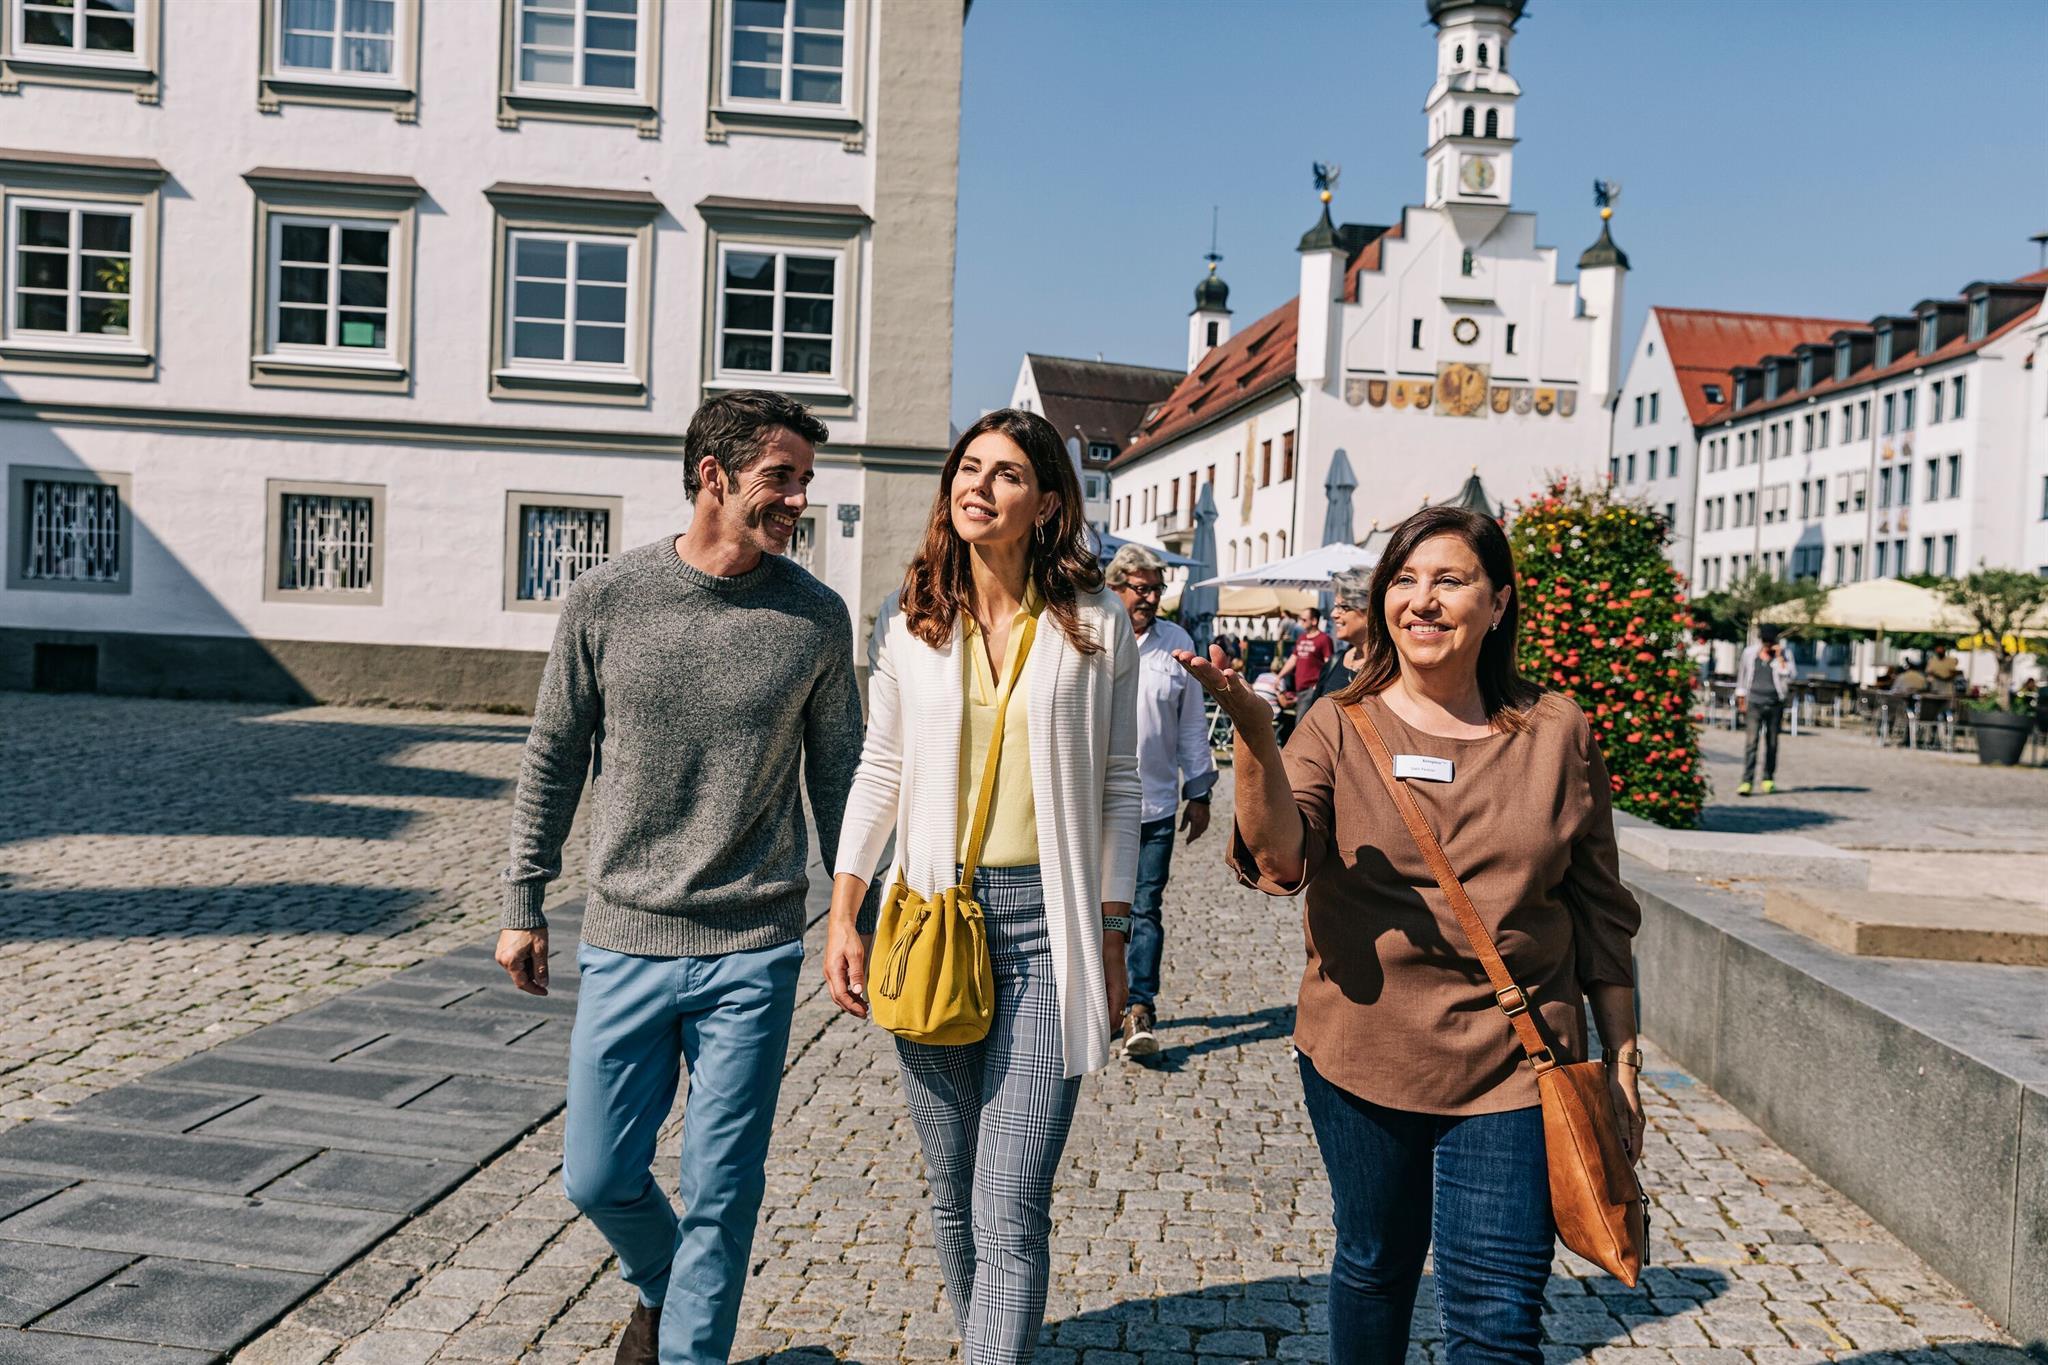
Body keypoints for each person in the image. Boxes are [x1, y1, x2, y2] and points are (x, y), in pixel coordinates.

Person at [1177, 504, 1643, 1364]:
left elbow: (1601, 909)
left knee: (1499, 1315)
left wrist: (1621, 1062)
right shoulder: (1338, 723)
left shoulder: (1557, 732)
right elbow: (1281, 860)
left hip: (1518, 1058)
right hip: (1365, 1052)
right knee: (1377, 1263)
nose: (1421, 601)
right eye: (1405, 579)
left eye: (1450, 580)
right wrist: (1253, 738)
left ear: (1498, 603)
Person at [496, 390, 862, 1365]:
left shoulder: (813, 619)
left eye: (803, 481)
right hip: (623, 936)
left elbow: (842, 779)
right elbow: (551, 753)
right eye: (780, 478)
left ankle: (688, 1348)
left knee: (721, 1187)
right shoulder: (608, 598)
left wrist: (856, 913)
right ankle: (666, 1287)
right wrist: (521, 900)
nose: (796, 499)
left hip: (752, 949)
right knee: (596, 1176)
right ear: (714, 474)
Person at [824, 408, 1141, 1365]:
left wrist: (1116, 933)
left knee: (1010, 1200)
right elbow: (879, 768)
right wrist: (845, 912)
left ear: (1047, 502)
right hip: (924, 925)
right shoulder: (910, 615)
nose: (978, 485)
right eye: (968, 468)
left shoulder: (1096, 619)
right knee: (953, 1183)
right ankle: (984, 1340)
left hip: (1049, 931)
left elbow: (1121, 784)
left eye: (1006, 474)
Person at [1104, 543, 1217, 1058]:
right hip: (1095, 804)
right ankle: (1093, 999)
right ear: (1115, 585)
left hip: (1154, 806)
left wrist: (1200, 791)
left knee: (1145, 908)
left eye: (1156, 589)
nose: (1150, 598)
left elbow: (1192, 725)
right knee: (1096, 910)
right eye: (1140, 588)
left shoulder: (1175, 643)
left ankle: (1138, 1008)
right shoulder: (1094, 635)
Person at [1736, 624, 1794, 796]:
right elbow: (1743, 675)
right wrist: (1741, 697)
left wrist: (1780, 658)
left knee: (1772, 742)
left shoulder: (1785, 654)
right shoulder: (1749, 653)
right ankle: (1747, 781)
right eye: (1765, 641)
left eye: (1771, 641)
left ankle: (1768, 778)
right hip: (1754, 702)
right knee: (1751, 742)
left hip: (1775, 703)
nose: (1768, 645)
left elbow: (1790, 676)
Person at [1316, 568, 1372, 697]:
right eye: (1336, 606)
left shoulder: (1393, 669)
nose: (1333, 614)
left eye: (1343, 607)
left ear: (1370, 611)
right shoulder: (1335, 660)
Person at [1289, 606, 1335, 722]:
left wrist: (1320, 684)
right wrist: (1279, 676)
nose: (1301, 622)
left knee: (1301, 723)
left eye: (1304, 620)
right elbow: (1293, 659)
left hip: (1312, 688)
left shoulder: (1324, 639)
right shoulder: (1302, 638)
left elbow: (1329, 664)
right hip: (1299, 688)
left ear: (1314, 621)